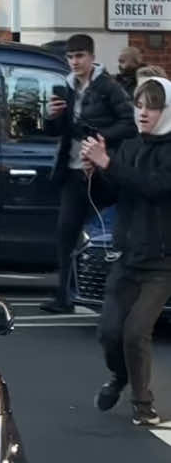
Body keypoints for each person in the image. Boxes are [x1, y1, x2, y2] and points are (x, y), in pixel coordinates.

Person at [82, 76, 171, 428]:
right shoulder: (130, 147)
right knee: (109, 332)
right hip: (127, 256)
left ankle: (142, 403)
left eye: (153, 106)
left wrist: (108, 164)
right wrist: (94, 172)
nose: (143, 113)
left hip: (163, 262)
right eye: (139, 105)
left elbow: (154, 187)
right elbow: (112, 195)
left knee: (136, 331)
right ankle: (120, 377)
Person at [40, 32, 134, 313]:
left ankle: (111, 293)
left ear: (92, 57)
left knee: (103, 236)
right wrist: (51, 117)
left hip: (101, 172)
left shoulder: (108, 87)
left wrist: (97, 135)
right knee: (66, 232)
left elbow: (129, 123)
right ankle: (64, 296)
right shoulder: (66, 87)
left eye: (79, 56)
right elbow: (57, 132)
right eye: (70, 57)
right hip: (73, 171)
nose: (74, 62)